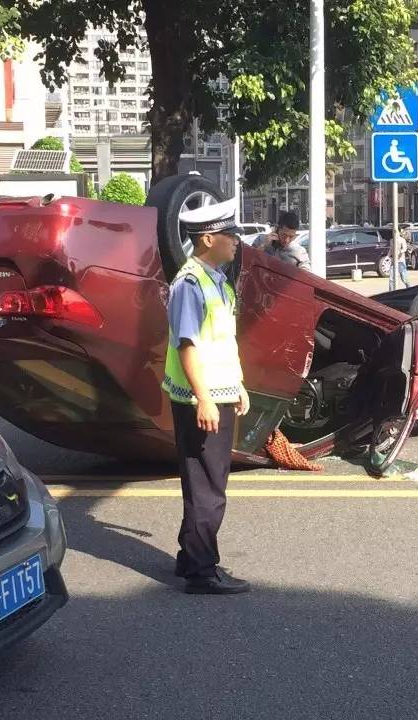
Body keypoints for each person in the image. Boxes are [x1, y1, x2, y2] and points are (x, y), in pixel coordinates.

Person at [162, 197, 251, 595]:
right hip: (202, 401)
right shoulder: (191, 284)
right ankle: (202, 571)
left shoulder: (214, 279)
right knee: (208, 488)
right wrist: (204, 399)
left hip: (217, 394)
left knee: (204, 482)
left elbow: (221, 343)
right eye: (230, 235)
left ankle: (189, 558)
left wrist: (237, 386)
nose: (236, 242)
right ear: (209, 239)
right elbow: (188, 345)